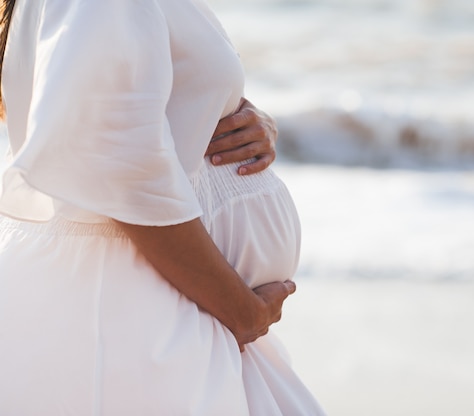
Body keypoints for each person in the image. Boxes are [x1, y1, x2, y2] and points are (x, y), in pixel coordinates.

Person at [0, 0, 325, 414]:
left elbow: (134, 109)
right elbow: (114, 161)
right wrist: (239, 310)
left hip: (171, 305)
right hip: (135, 315)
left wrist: (247, 118)